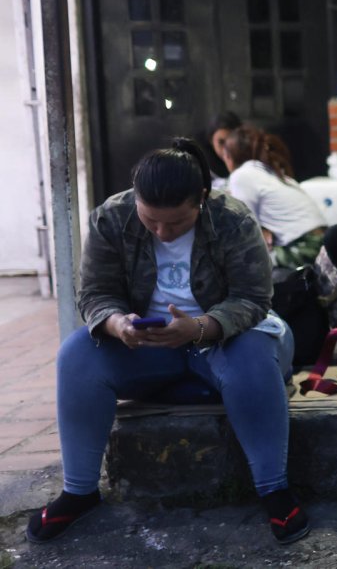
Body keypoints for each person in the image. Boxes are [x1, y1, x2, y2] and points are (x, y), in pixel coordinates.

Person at [26, 138, 308, 545]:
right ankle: (79, 490)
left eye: (175, 224)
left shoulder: (233, 219)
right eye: (150, 220)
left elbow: (253, 299)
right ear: (136, 199)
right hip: (149, 348)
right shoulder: (111, 217)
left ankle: (274, 488)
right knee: (77, 354)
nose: (161, 231)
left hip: (225, 340)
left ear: (202, 200)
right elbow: (94, 294)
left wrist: (199, 328)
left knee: (250, 353)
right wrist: (117, 323)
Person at [222, 125, 328, 270]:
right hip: (322, 243)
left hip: (304, 248)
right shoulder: (271, 172)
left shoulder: (241, 176)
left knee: (234, 264)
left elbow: (242, 231)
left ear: (228, 156)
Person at [203, 110, 243, 186]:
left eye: (231, 142)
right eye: (221, 142)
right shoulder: (202, 167)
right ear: (211, 141)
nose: (226, 150)